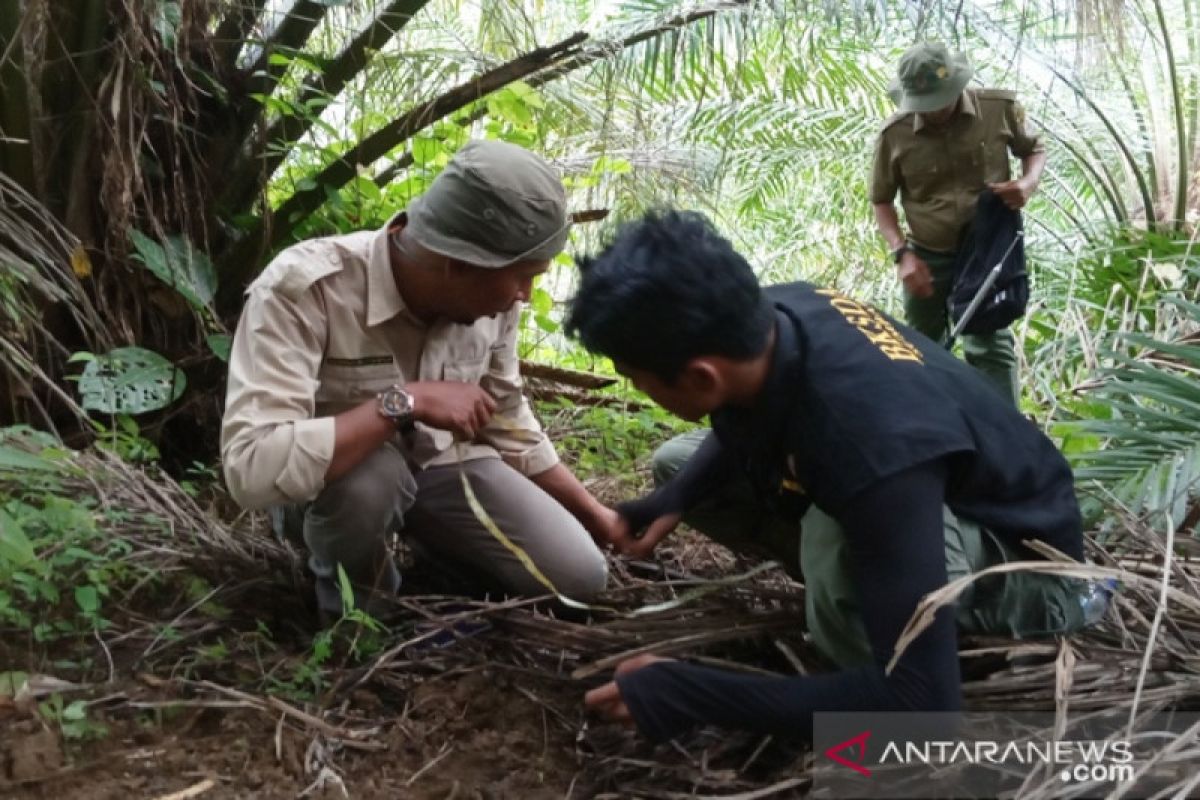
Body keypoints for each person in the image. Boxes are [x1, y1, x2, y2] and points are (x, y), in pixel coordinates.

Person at [567, 210, 1095, 742]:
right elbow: (746, 411)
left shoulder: (872, 449)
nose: (635, 387)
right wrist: (673, 499)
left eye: (634, 378)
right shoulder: (780, 311)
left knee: (835, 537)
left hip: (1037, 571)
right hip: (921, 489)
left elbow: (922, 706)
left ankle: (863, 657)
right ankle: (870, 603)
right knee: (679, 463)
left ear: (700, 376)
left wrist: (690, 692)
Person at [221, 140, 619, 619]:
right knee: (372, 483)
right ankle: (359, 616)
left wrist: (597, 516)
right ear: (458, 265)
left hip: (444, 466)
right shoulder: (305, 289)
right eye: (523, 278)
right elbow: (251, 468)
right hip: (339, 484)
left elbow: (509, 420)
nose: (525, 296)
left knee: (578, 578)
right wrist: (403, 402)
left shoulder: (489, 299)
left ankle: (439, 554)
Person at [871, 42, 1047, 405]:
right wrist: (902, 254)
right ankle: (934, 434)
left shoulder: (999, 109)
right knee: (922, 350)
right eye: (925, 105)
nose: (934, 112)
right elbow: (881, 200)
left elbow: (1034, 150)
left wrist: (1026, 185)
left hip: (987, 249)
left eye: (941, 101)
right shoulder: (894, 135)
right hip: (926, 255)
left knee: (989, 347)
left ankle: (1005, 437)